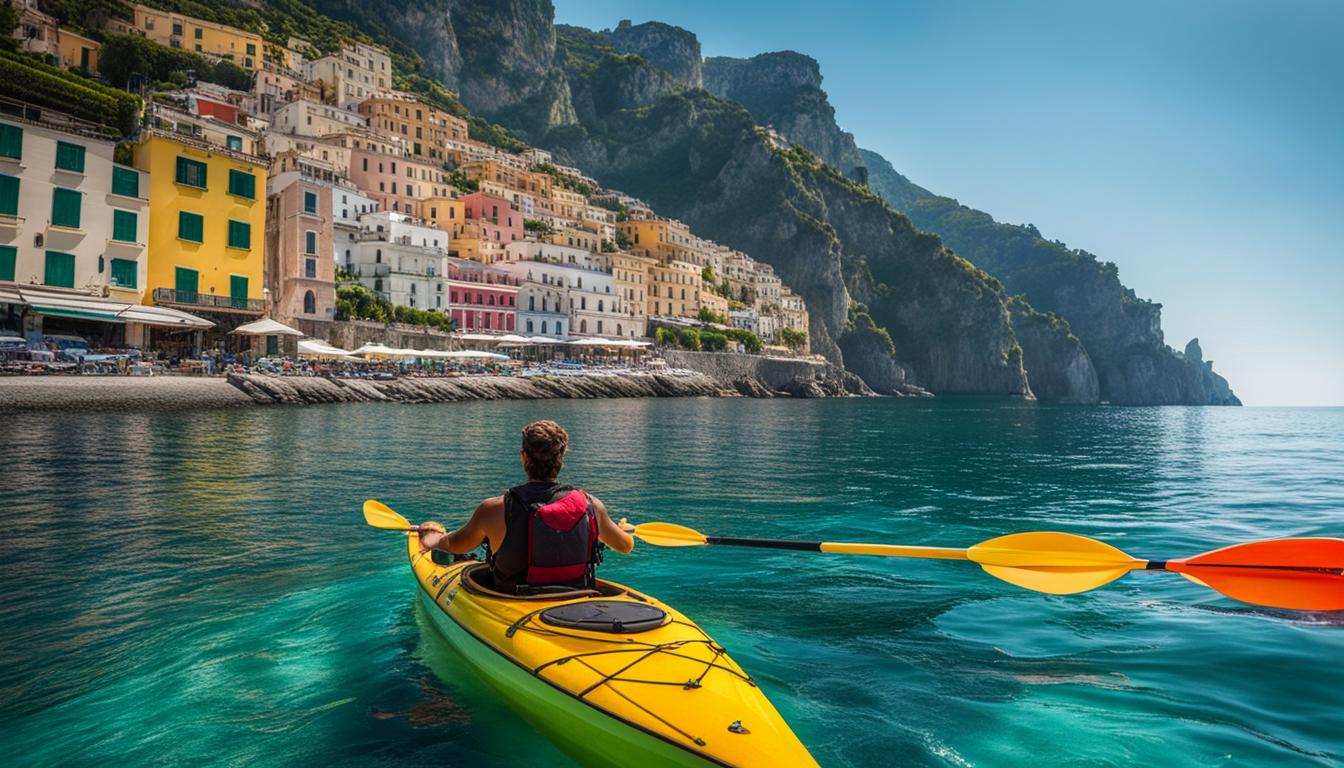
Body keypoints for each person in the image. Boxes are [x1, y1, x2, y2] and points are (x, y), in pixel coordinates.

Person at [418, 420, 634, 593]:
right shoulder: (592, 506)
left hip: (514, 599)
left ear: (524, 457)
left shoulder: (494, 509)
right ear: (562, 457)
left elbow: (456, 545)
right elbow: (625, 546)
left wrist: (433, 539)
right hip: (576, 594)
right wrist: (619, 530)